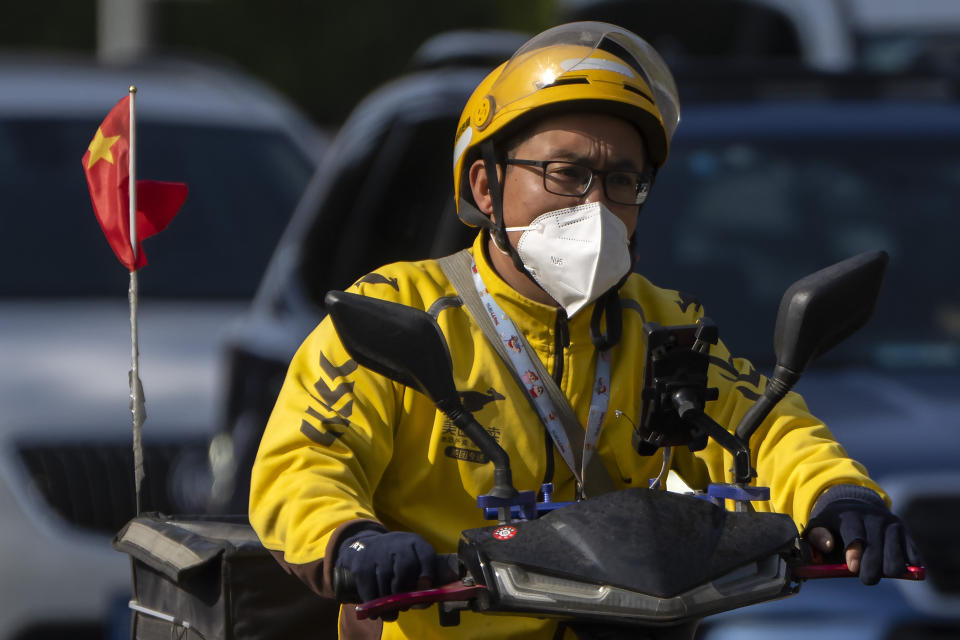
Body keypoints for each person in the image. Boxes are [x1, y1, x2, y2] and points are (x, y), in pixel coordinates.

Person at [249, 21, 920, 639]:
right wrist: (352, 540)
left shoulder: (665, 323)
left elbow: (767, 429)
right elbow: (304, 465)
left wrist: (842, 495)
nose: (597, 206)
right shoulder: (398, 311)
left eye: (622, 179)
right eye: (566, 173)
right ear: (486, 186)